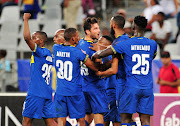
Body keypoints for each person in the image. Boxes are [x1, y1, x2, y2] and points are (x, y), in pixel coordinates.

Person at [92, 15, 157, 126]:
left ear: (133, 27)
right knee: (145, 121)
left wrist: (95, 54)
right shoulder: (152, 44)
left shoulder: (125, 44)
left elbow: (103, 54)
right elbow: (152, 57)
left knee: (125, 119)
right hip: (147, 87)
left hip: (131, 86)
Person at [53, 28, 98, 126]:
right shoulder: (78, 52)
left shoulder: (55, 48)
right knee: (81, 120)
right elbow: (93, 67)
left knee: (61, 120)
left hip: (60, 91)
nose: (79, 37)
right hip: (75, 92)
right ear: (73, 39)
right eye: (77, 36)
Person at [22, 13, 56, 126]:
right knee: (50, 122)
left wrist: (25, 19)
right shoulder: (48, 54)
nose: (31, 39)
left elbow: (26, 38)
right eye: (32, 38)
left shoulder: (39, 52)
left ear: (41, 41)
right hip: (47, 92)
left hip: (36, 92)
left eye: (34, 38)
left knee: (26, 121)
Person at [76, 17, 108, 126]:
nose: (98, 31)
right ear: (87, 31)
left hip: (83, 86)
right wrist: (99, 51)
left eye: (98, 28)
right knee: (98, 116)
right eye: (95, 29)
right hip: (95, 87)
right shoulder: (94, 47)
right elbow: (99, 68)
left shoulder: (79, 44)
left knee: (87, 117)